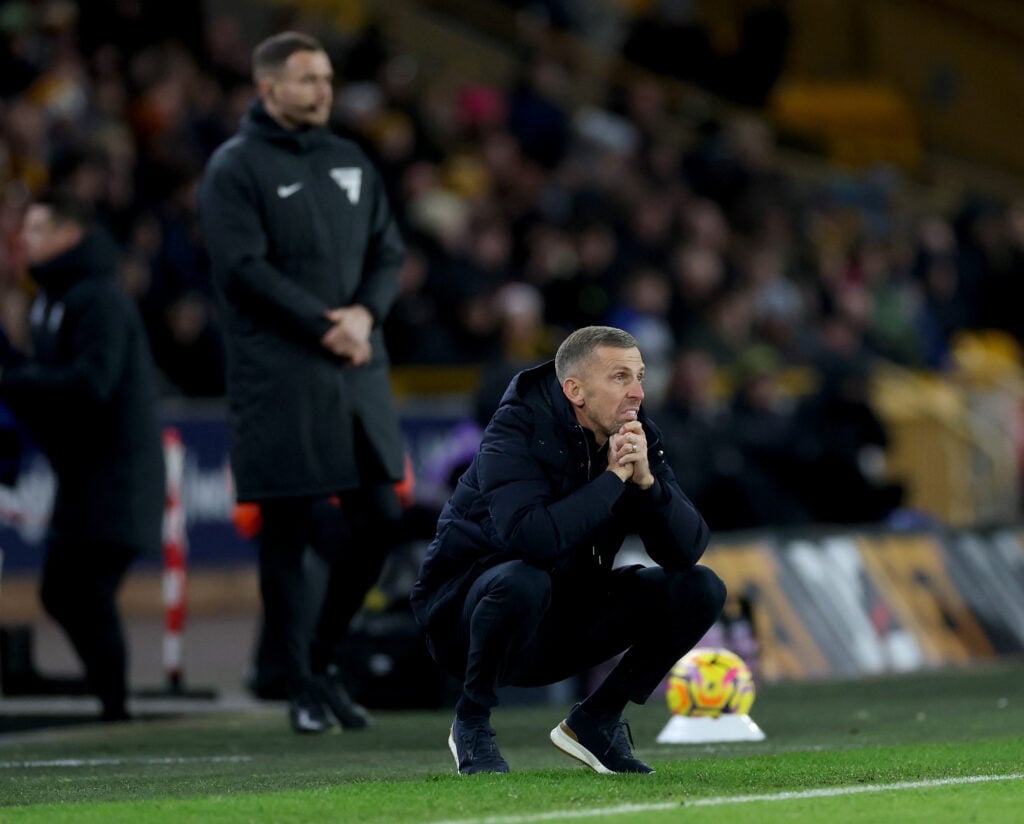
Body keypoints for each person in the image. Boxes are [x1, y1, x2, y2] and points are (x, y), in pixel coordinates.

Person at [198, 31, 407, 733]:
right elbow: (243, 270)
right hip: (281, 375)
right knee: (286, 532)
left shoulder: (351, 160)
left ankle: (318, 660)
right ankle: (299, 687)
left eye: (326, 77)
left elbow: (389, 249)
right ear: (267, 89)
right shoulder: (234, 168)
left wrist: (367, 314)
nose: (323, 89)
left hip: (355, 370)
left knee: (381, 517)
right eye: (306, 79)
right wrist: (329, 325)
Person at [411, 326, 727, 775]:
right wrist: (613, 480)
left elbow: (687, 550)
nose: (637, 391)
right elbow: (533, 539)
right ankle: (471, 722)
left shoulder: (637, 435)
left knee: (702, 587)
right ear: (575, 390)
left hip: (562, 619)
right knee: (523, 578)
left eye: (640, 376)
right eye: (620, 377)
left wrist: (647, 486)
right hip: (465, 625)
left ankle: (597, 720)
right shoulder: (515, 430)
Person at [0, 193, 165, 721]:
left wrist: (16, 381)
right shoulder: (51, 298)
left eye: (37, 228)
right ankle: (109, 697)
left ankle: (115, 706)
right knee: (66, 592)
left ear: (70, 235)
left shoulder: (97, 298)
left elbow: (94, 382)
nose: (25, 239)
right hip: (84, 478)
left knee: (82, 591)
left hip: (118, 477)